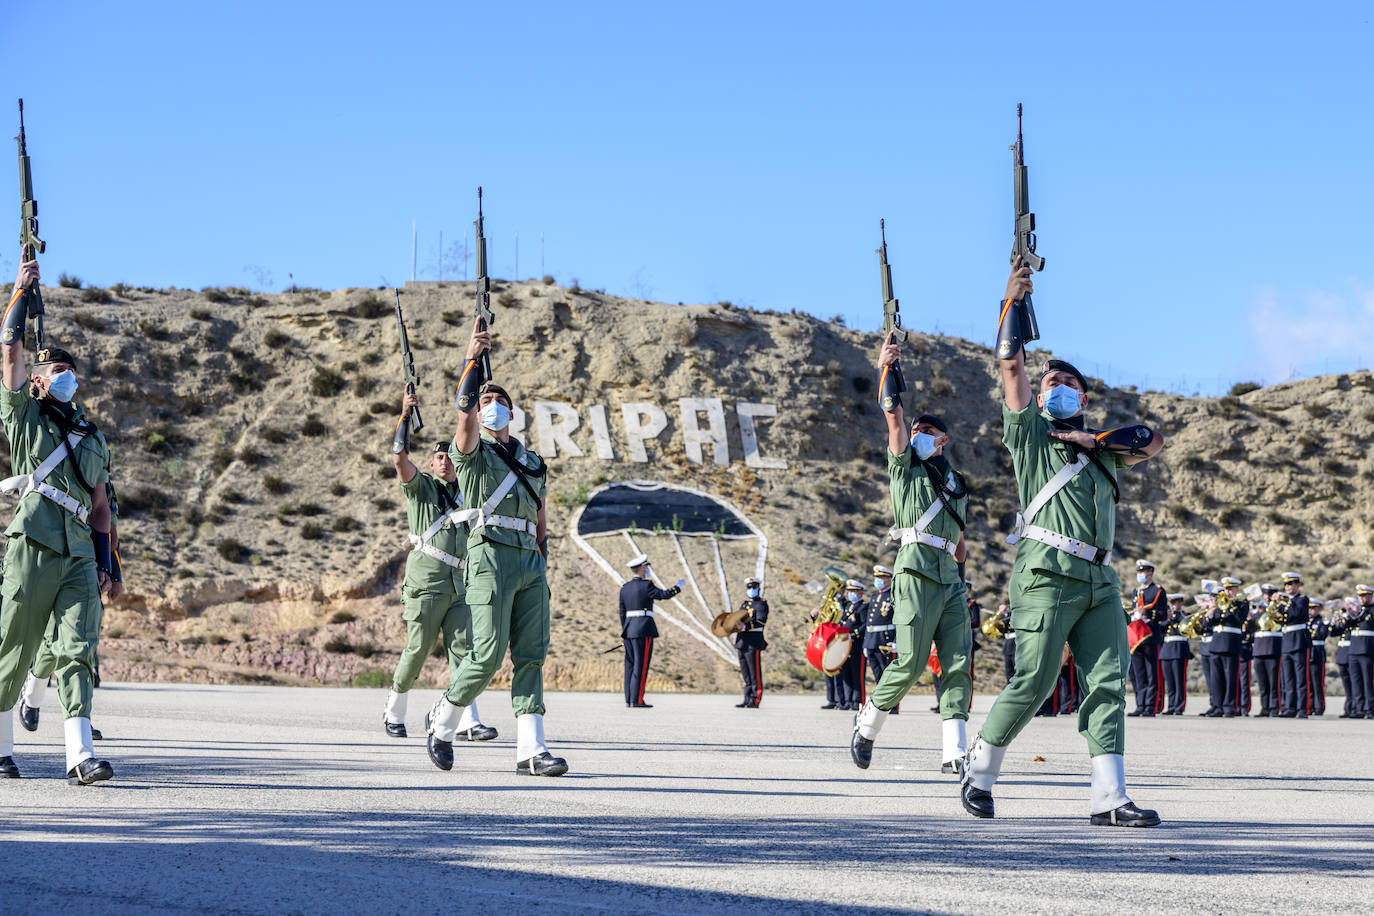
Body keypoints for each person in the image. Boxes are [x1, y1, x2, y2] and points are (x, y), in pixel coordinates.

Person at [962, 260, 1164, 827]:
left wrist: (1092, 437)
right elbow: (1009, 364)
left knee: (1107, 685)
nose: (1061, 388)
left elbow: (1154, 439)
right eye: (1053, 382)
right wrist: (1011, 298)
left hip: (1101, 580)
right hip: (1046, 573)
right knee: (1036, 680)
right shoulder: (1029, 434)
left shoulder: (1103, 449)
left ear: (1084, 396)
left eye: (1071, 383)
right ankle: (980, 768)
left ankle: (1110, 797)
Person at [425, 319, 566, 777]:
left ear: (512, 411)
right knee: (485, 653)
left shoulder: (532, 462)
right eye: (486, 401)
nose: (491, 407)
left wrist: (542, 560)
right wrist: (471, 357)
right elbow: (463, 415)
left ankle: (531, 749)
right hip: (488, 554)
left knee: (531, 654)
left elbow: (542, 517)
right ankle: (443, 721)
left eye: (499, 401)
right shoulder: (472, 452)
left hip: (529, 560)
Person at [0, 257, 118, 784]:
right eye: (56, 370)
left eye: (71, 370)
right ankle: (2, 747)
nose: (65, 376)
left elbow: (100, 507)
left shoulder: (92, 437)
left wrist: (106, 565)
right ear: (40, 380)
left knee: (78, 649)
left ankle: (79, 755)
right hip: (32, 544)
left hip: (76, 554)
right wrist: (20, 296)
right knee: (14, 645)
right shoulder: (24, 417)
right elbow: (9, 355)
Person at [851, 344, 973, 777]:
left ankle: (954, 753)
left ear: (943, 440)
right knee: (911, 663)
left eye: (927, 430)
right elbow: (894, 418)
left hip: (951, 580)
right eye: (916, 429)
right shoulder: (905, 469)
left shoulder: (958, 482)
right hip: (915, 570)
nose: (918, 433)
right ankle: (867, 724)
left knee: (959, 664)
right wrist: (887, 367)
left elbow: (960, 542)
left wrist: (962, 575)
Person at [383, 409, 496, 743]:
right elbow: (399, 457)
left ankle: (465, 721)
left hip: (460, 584)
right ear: (431, 464)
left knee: (465, 651)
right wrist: (404, 415)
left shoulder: (468, 495)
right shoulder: (421, 490)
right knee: (418, 648)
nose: (444, 461)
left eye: (449, 456)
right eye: (438, 457)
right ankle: (394, 709)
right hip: (427, 584)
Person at [618, 554, 683, 709]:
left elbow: (622, 612)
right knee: (640, 666)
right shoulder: (646, 585)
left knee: (630, 666)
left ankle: (629, 700)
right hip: (643, 628)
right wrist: (677, 587)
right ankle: (638, 700)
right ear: (641, 569)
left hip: (628, 629)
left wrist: (625, 629)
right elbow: (663, 595)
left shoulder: (625, 587)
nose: (647, 570)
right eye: (646, 567)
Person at [1201, 578, 1247, 718]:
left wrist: (1229, 605)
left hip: (1231, 644)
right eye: (1225, 589)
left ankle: (1229, 707)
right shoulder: (1219, 604)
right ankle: (1217, 706)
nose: (1227, 591)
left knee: (1230, 678)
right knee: (1216, 679)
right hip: (1216, 644)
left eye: (1230, 589)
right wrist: (1211, 611)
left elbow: (1239, 619)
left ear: (1236, 590)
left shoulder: (1241, 603)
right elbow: (1207, 625)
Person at [1127, 560, 1166, 717]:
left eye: (1143, 572)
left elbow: (1163, 614)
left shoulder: (1157, 591)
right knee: (1138, 674)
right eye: (1139, 572)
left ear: (1150, 573)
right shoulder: (1136, 592)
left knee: (1152, 673)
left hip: (1150, 635)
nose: (1140, 575)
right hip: (1136, 636)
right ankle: (1140, 705)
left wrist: (1148, 613)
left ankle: (1150, 706)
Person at [860, 567, 897, 710]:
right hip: (872, 640)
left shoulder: (893, 596)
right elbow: (869, 622)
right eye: (877, 578)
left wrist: (895, 641)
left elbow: (898, 619)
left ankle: (892, 704)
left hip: (885, 639)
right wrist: (866, 643)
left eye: (881, 578)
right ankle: (882, 703)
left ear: (889, 579)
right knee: (877, 674)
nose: (878, 581)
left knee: (888, 674)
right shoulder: (875, 597)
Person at [1277, 572, 1313, 718]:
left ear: (1297, 585)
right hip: (1286, 641)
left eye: (1291, 584)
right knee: (1288, 678)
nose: (1288, 587)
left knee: (1300, 677)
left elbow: (1296, 613)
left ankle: (1302, 708)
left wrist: (1283, 602)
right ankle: (1289, 707)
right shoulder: (1285, 602)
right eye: (1286, 584)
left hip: (1299, 640)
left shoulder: (1302, 600)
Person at [734, 577, 768, 708]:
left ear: (758, 588)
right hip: (742, 641)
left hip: (753, 642)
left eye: (753, 587)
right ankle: (747, 698)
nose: (751, 590)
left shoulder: (762, 604)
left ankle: (755, 699)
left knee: (755, 674)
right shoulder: (744, 604)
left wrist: (745, 627)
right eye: (749, 587)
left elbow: (760, 622)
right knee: (746, 673)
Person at [1251, 584, 1283, 717]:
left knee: (1274, 682)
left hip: (1273, 648)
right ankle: (1264, 707)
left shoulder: (1280, 608)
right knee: (1262, 683)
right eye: (1265, 594)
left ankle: (1274, 708)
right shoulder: (1259, 611)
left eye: (1270, 594)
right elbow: (1251, 625)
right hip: (1259, 649)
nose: (1267, 597)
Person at [837, 580, 867, 711]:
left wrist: (854, 634)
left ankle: (857, 700)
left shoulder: (863, 607)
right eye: (849, 592)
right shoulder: (848, 606)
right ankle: (847, 700)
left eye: (853, 591)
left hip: (856, 645)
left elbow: (865, 625)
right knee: (846, 674)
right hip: (845, 646)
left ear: (860, 592)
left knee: (856, 674)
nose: (851, 594)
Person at [1158, 594, 1191, 715]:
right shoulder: (1166, 616)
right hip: (1166, 650)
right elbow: (1160, 628)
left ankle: (1179, 706)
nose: (1172, 606)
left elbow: (1185, 629)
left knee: (1179, 681)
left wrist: (1175, 617)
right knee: (1170, 681)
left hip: (1179, 649)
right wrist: (1168, 620)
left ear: (1181, 603)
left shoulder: (1185, 615)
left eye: (1175, 603)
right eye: (1171, 603)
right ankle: (1171, 706)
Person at [1347, 585, 1374, 719]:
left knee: (1368, 681)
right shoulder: (1357, 611)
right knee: (1356, 681)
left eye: (1364, 596)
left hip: (1367, 649)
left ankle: (1370, 708)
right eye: (1359, 596)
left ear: (1370, 596)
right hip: (1354, 650)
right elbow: (1346, 625)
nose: (1361, 598)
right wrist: (1351, 612)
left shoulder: (1372, 610)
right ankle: (1359, 708)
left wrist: (1359, 612)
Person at [1330, 594, 1358, 718]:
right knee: (1347, 683)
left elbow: (1350, 624)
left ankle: (1355, 707)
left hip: (1352, 652)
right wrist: (1333, 621)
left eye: (1348, 605)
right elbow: (1332, 633)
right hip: (1342, 654)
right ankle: (1348, 708)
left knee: (1355, 682)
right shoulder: (1344, 620)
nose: (1346, 607)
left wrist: (1349, 615)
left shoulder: (1354, 619)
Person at [1307, 603, 1328, 716]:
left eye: (1314, 608)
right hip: (1308, 654)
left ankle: (1319, 707)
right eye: (1310, 608)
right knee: (1308, 682)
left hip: (1317, 654)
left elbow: (1323, 634)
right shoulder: (1306, 621)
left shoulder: (1322, 621)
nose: (1311, 610)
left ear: (1319, 609)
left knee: (1317, 683)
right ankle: (1309, 707)